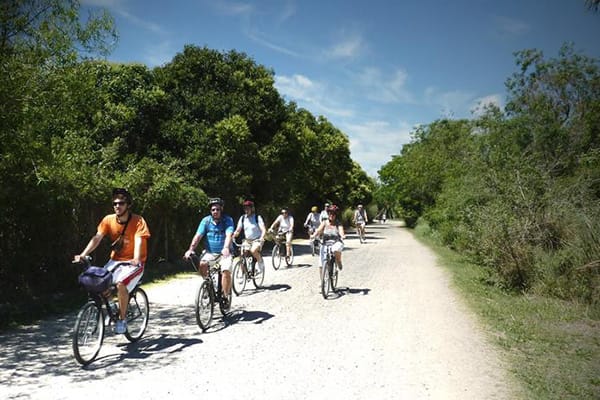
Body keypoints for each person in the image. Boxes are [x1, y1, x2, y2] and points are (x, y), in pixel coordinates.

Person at [74, 188, 151, 334]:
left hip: (134, 263)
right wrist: (83, 254)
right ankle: (111, 305)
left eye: (121, 203)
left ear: (128, 205)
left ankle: (122, 320)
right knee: (99, 281)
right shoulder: (108, 220)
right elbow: (97, 238)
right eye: (115, 203)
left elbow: (139, 239)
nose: (117, 206)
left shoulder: (138, 221)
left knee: (121, 284)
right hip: (115, 261)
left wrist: (136, 258)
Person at [184, 197, 234, 309]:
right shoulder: (205, 221)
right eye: (213, 210)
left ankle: (225, 296)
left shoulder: (228, 220)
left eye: (217, 209)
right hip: (210, 252)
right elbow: (198, 236)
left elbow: (229, 235)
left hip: (224, 252)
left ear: (221, 209)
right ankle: (207, 285)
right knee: (202, 264)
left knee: (226, 270)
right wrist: (190, 249)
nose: (215, 212)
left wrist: (226, 247)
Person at [233, 200, 266, 274]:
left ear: (252, 209)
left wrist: (261, 237)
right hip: (247, 240)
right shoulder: (242, 218)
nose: (246, 210)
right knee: (241, 254)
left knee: (253, 250)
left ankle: (260, 262)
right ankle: (244, 273)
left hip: (257, 239)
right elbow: (238, 230)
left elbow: (263, 229)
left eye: (248, 208)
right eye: (245, 208)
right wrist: (233, 235)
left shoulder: (257, 217)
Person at [311, 204, 345, 275]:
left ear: (336, 215)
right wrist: (313, 235)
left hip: (336, 242)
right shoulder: (324, 222)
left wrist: (342, 235)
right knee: (321, 264)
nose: (331, 215)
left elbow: (341, 230)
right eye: (330, 213)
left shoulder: (338, 223)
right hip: (325, 243)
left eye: (333, 214)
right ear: (328, 214)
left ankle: (338, 261)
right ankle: (322, 281)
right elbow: (319, 230)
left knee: (336, 249)